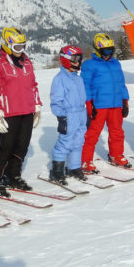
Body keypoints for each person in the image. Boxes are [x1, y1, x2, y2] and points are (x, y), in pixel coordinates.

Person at [0, 27, 42, 197]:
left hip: (26, 110)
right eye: (17, 47)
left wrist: (37, 105)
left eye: (23, 46)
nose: (21, 50)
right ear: (7, 45)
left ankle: (13, 175)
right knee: (6, 147)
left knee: (22, 146)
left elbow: (33, 85)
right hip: (8, 113)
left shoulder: (27, 62)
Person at [81, 33, 130, 173]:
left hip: (116, 104)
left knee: (117, 132)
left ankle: (116, 155)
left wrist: (125, 101)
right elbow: (85, 85)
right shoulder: (89, 65)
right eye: (105, 51)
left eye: (110, 50)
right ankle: (86, 160)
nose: (108, 54)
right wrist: (89, 104)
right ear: (97, 49)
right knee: (92, 133)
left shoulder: (116, 63)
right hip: (99, 105)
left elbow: (121, 84)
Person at [49, 45, 88, 185]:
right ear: (65, 60)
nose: (77, 62)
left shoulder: (78, 78)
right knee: (65, 142)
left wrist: (86, 115)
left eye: (79, 59)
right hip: (69, 115)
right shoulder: (59, 79)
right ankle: (57, 170)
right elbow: (56, 102)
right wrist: (61, 117)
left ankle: (73, 167)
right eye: (74, 59)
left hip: (80, 113)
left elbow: (82, 98)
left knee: (78, 142)